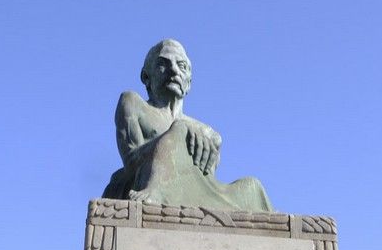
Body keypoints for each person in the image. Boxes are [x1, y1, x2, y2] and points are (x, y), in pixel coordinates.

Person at [103, 38, 273, 211]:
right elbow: (131, 164)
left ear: (189, 82)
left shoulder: (205, 132)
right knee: (180, 127)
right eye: (163, 64)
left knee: (252, 187)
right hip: (142, 184)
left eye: (182, 66)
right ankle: (157, 193)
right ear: (146, 76)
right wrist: (177, 134)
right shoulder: (133, 103)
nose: (174, 70)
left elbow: (203, 179)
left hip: (193, 196)